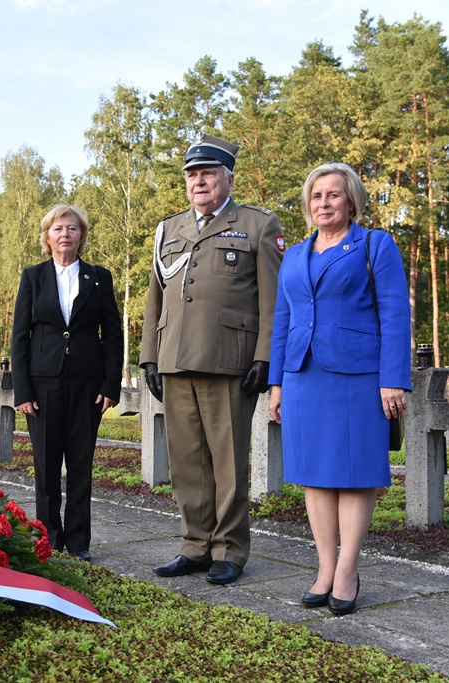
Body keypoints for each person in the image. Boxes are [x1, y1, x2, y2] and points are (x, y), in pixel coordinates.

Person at [140, 132, 285, 585]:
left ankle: (229, 549)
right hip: (176, 358)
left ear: (228, 178)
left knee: (227, 462)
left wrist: (265, 357)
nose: (198, 182)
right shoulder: (170, 229)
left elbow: (274, 300)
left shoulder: (258, 225)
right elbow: (154, 300)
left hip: (230, 361)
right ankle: (195, 545)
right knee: (186, 463)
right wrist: (149, 357)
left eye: (207, 173)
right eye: (191, 175)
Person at [267, 162, 411, 615]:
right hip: (303, 376)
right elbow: (282, 320)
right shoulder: (293, 254)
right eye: (316, 196)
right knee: (314, 474)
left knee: (354, 473)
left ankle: (348, 569)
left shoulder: (375, 244)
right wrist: (276, 382)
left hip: (358, 376)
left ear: (351, 200)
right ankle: (325, 568)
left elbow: (395, 314)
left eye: (333, 194)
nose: (324, 202)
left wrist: (393, 379)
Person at [11, 204, 124, 562]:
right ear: (47, 237)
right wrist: (23, 390)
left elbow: (114, 333)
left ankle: (78, 541)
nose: (65, 234)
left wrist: (110, 384)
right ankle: (47, 536)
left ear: (81, 236)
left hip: (89, 384)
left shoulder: (98, 277)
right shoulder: (33, 277)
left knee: (80, 462)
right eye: (58, 229)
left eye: (72, 228)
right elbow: (19, 337)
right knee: (45, 464)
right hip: (43, 384)